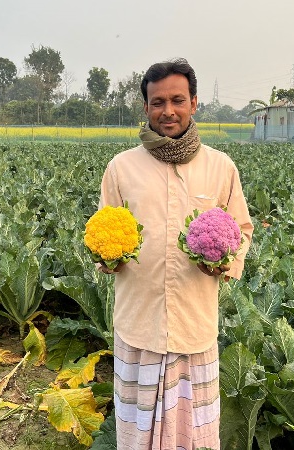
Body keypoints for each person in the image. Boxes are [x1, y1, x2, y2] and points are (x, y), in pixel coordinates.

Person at [97, 58, 254, 449]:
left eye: (178, 100)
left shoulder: (221, 168)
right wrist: (107, 257)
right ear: (146, 107)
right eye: (158, 102)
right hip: (139, 323)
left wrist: (224, 261)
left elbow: (243, 229)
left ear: (194, 103)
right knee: (137, 432)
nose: (168, 111)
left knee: (194, 434)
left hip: (193, 323)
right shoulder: (121, 168)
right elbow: (104, 230)